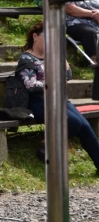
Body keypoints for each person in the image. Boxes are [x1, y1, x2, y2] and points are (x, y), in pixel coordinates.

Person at [23, 23, 99, 171]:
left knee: (85, 126)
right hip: (39, 101)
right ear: (35, 36)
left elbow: (68, 76)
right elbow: (30, 85)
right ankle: (47, 149)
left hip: (59, 98)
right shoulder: (26, 58)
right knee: (74, 122)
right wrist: (52, 82)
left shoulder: (52, 54)